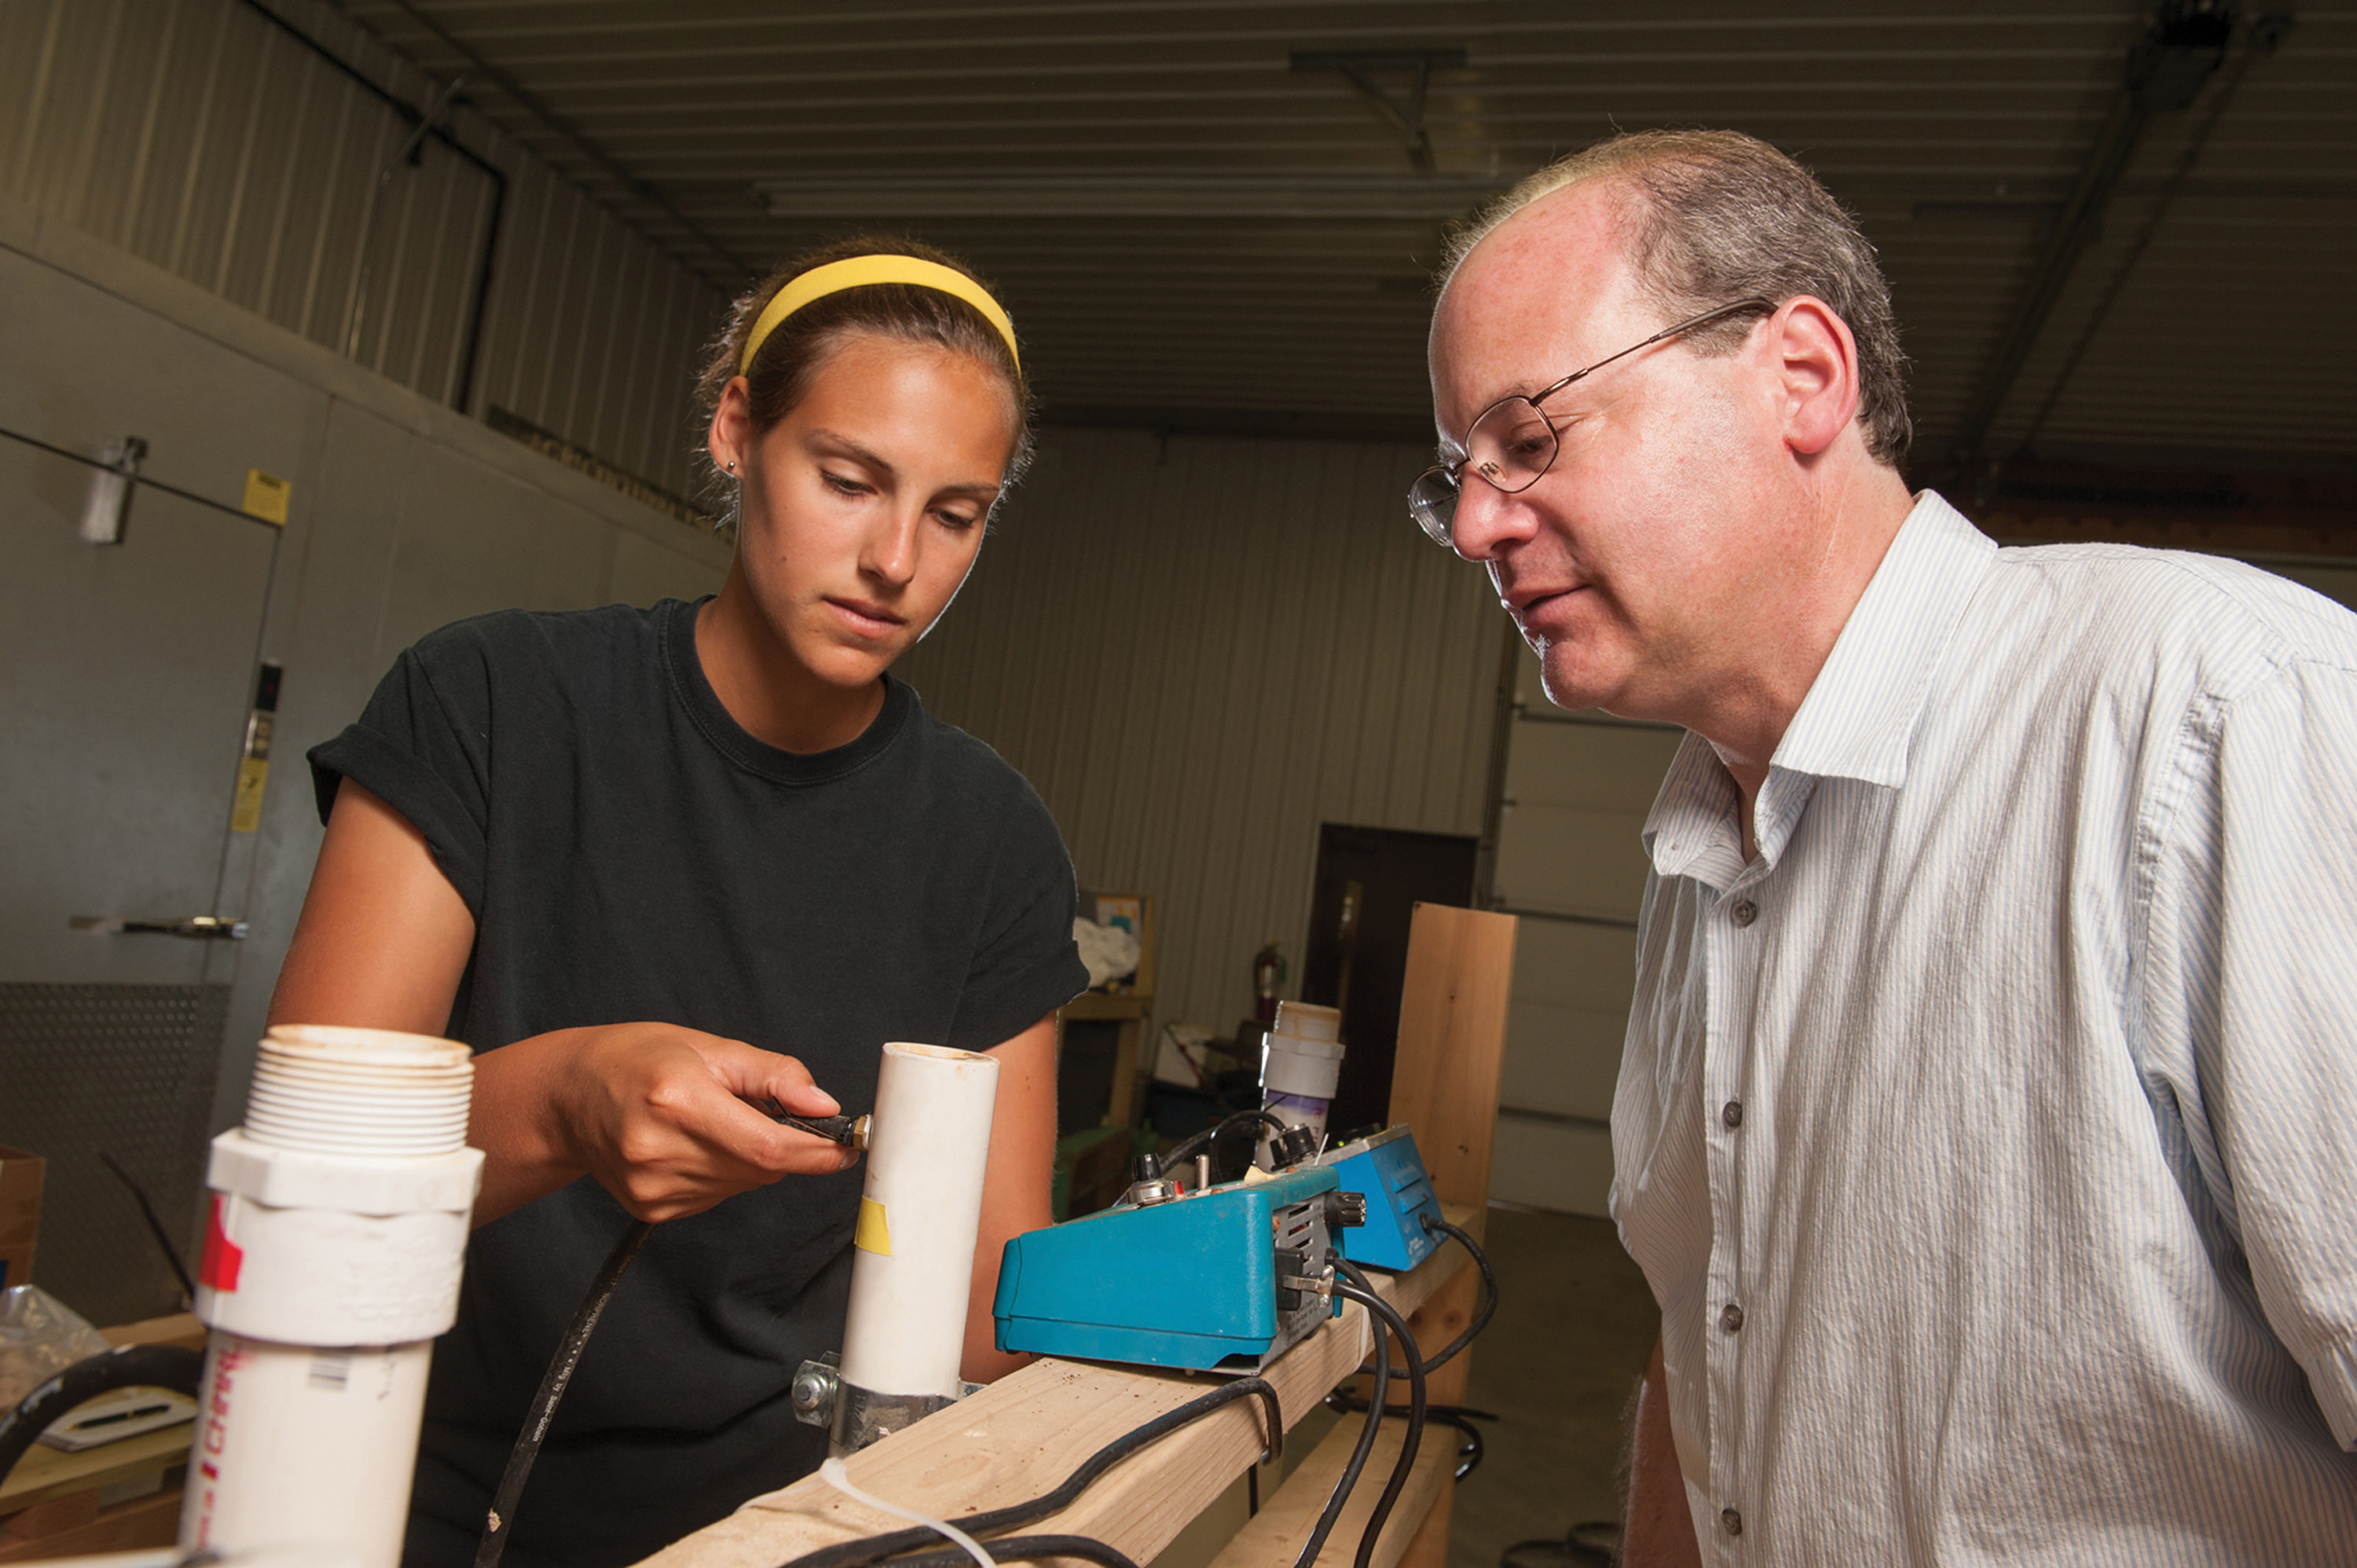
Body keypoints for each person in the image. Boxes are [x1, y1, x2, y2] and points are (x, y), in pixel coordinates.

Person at [1417, 129, 2357, 1563]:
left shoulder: (2214, 713)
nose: (1480, 521)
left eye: (1531, 438)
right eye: (1459, 474)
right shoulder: (1700, 851)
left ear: (1802, 376)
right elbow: (1704, 1357)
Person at [271, 240, 1090, 1568]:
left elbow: (990, 1313)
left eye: (955, 514)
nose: (896, 560)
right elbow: (297, 1181)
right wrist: (562, 1099)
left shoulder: (991, 841)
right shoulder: (490, 706)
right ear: (735, 429)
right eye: (847, 479)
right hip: (415, 1490)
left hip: (793, 1523)